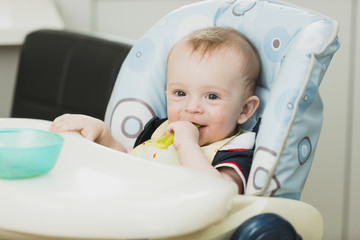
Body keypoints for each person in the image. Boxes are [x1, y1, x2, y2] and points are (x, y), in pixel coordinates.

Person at [50, 26, 260, 194]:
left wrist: (187, 144)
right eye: (180, 93)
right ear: (166, 93)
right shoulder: (160, 130)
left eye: (212, 96)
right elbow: (129, 163)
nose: (192, 108)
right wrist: (103, 134)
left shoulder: (237, 151)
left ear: (244, 109)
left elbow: (220, 191)